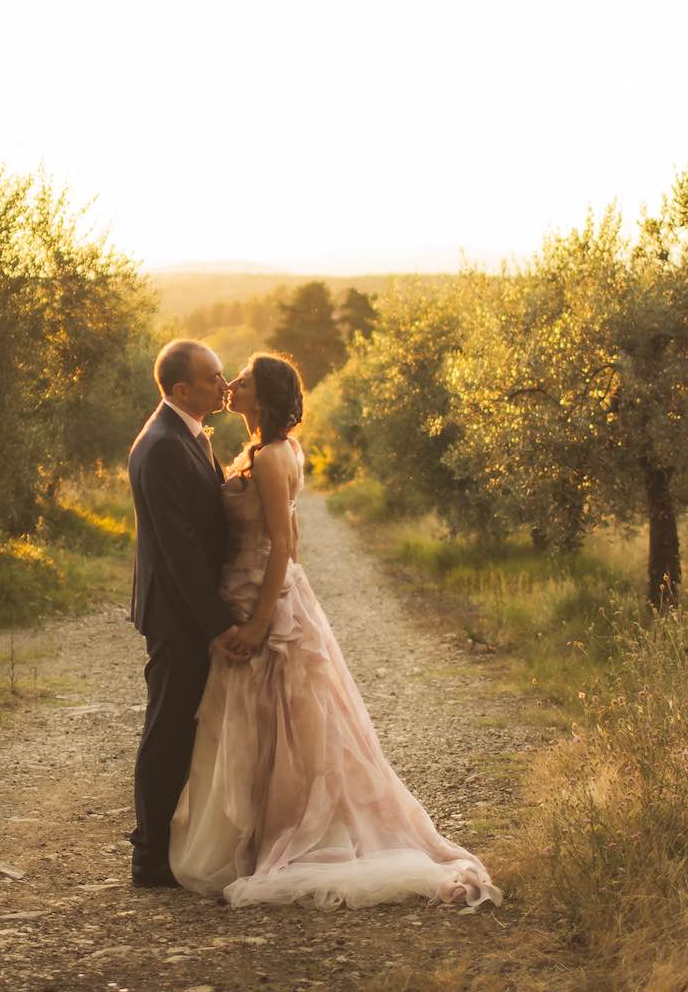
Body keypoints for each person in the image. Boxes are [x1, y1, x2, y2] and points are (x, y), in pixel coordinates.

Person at [168, 351, 501, 909]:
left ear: (265, 398)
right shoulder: (266, 450)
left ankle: (294, 833)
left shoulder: (273, 458)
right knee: (271, 721)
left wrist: (261, 618)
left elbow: (282, 543)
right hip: (258, 591)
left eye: (243, 381)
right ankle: (259, 827)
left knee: (290, 725)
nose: (231, 385)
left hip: (263, 601)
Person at [126, 339, 242, 888]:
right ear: (181, 389)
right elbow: (181, 550)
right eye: (215, 377)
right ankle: (148, 858)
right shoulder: (163, 445)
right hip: (176, 615)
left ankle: (173, 844)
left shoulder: (188, 435)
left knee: (181, 726)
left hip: (186, 610)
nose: (225, 385)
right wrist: (218, 624)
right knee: (169, 729)